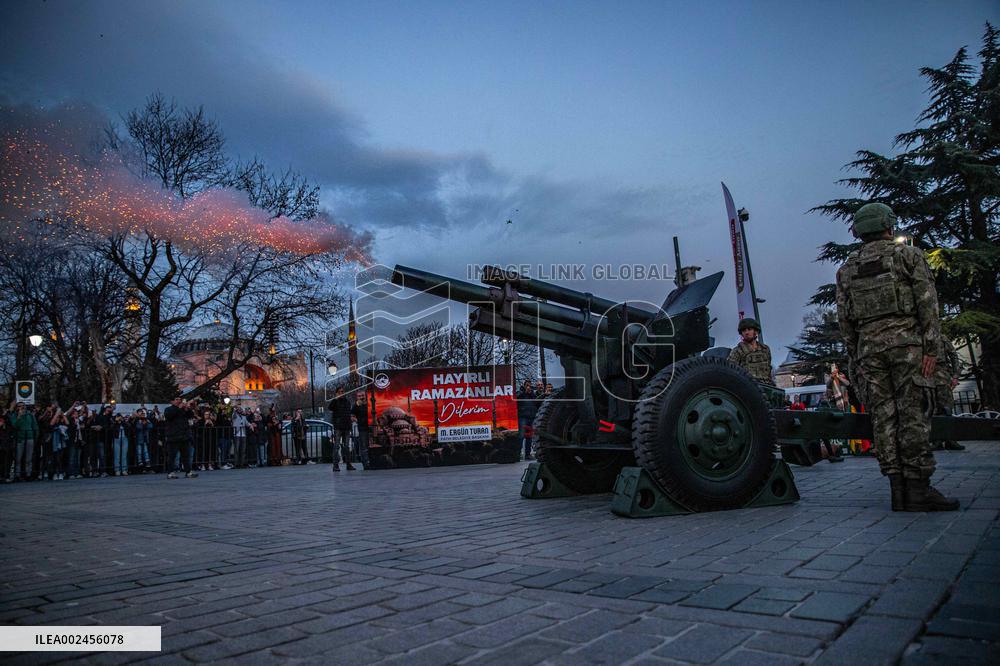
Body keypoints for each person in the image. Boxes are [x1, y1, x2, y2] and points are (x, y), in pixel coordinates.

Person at [835, 202, 957, 512]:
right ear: (888, 225)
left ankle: (897, 490)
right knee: (913, 415)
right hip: (908, 349)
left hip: (869, 353)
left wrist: (855, 358)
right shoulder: (907, 256)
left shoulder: (848, 269)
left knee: (884, 419)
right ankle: (918, 487)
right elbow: (927, 304)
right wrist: (932, 349)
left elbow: (845, 321)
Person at [931, 338, 965, 451]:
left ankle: (950, 439)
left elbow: (953, 356)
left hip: (942, 375)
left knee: (947, 408)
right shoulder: (920, 337)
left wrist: (955, 375)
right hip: (927, 375)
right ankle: (936, 440)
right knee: (933, 408)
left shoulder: (942, 338)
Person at [727, 318, 774, 384]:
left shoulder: (765, 349)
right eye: (744, 330)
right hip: (748, 387)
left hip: (766, 385)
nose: (746, 332)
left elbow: (768, 369)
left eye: (749, 329)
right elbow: (730, 371)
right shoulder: (737, 351)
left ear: (756, 331)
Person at [163, 396, 197, 479]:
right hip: (173, 436)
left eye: (179, 399)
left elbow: (191, 415)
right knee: (172, 456)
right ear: (172, 401)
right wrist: (179, 408)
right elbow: (169, 416)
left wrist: (187, 408)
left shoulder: (183, 410)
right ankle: (171, 472)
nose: (179, 401)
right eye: (176, 399)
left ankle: (188, 471)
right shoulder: (169, 409)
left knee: (186, 455)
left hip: (184, 436)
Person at [10, 402, 39, 481]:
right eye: (20, 406)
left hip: (30, 437)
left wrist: (35, 436)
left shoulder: (30, 415)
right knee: (18, 458)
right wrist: (19, 416)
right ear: (17, 408)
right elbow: (15, 425)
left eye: (23, 406)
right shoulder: (15, 415)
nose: (22, 407)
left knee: (29, 458)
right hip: (20, 438)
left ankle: (28, 474)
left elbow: (35, 426)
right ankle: (17, 475)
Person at [328, 387, 355, 471]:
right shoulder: (335, 401)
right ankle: (335, 465)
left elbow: (349, 413)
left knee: (346, 446)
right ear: (337, 393)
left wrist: (350, 424)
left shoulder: (347, 401)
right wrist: (335, 399)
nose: (341, 393)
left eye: (343, 391)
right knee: (336, 446)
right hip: (338, 427)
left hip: (346, 426)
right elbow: (330, 408)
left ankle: (348, 464)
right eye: (340, 392)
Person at [516, 380, 538, 461]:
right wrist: (524, 392)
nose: (529, 387)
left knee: (529, 437)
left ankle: (527, 455)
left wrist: (531, 393)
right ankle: (517, 455)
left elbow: (536, 401)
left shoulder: (532, 394)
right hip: (523, 417)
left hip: (531, 417)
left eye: (530, 385)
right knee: (521, 436)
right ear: (524, 386)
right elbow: (517, 399)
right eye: (527, 385)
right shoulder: (520, 392)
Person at [351, 393, 370, 468]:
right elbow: (352, 416)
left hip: (370, 427)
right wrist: (358, 421)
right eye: (359, 396)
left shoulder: (368, 404)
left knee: (369, 446)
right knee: (363, 446)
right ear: (357, 397)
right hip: (362, 428)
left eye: (362, 395)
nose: (361, 397)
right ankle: (365, 463)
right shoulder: (356, 405)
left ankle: (370, 461)